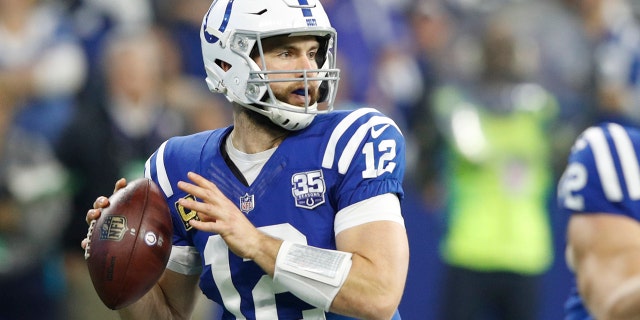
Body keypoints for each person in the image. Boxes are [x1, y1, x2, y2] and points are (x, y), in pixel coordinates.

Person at [82, 1, 409, 319]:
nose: (311, 69)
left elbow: (378, 294)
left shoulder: (352, 139)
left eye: (313, 53)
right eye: (286, 53)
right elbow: (166, 315)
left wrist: (255, 243)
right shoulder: (178, 167)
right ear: (228, 63)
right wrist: (116, 268)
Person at [425, 14, 557, 320]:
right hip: (469, 247)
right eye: (494, 49)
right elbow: (460, 140)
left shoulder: (543, 109)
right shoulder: (456, 106)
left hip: (525, 251)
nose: (501, 58)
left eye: (507, 50)